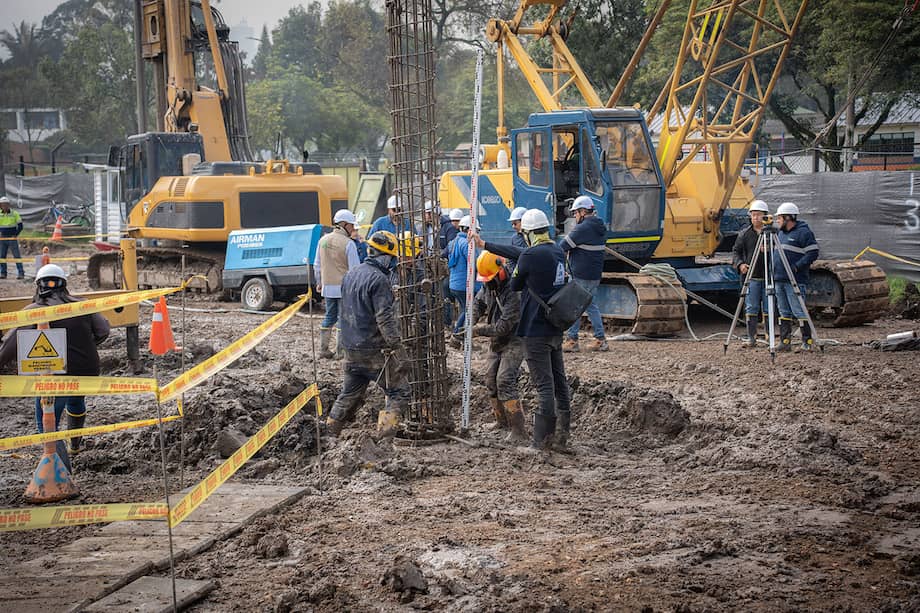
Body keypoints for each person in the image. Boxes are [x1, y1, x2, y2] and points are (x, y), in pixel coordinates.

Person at [0, 264, 110, 469]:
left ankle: (63, 474)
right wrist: (86, 345)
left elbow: (8, 347)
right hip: (88, 370)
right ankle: (75, 446)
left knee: (47, 424)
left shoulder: (33, 311)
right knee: (76, 401)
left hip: (54, 376)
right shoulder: (82, 305)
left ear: (38, 287)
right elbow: (103, 330)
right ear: (65, 286)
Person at [326, 231, 411, 438]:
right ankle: (384, 439)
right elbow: (385, 319)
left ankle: (328, 432)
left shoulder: (350, 275)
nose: (393, 262)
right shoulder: (379, 279)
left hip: (350, 349)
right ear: (384, 256)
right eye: (392, 258)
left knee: (348, 394)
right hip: (374, 351)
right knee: (399, 391)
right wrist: (399, 350)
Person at [508, 209, 572, 451]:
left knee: (544, 386)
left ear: (527, 232)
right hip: (555, 326)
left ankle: (541, 443)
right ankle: (561, 438)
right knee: (559, 382)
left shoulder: (530, 254)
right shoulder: (557, 250)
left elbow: (515, 284)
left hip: (534, 328)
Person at [470, 251, 525, 441]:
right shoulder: (490, 284)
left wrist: (477, 331)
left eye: (491, 278)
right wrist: (471, 319)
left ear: (501, 270)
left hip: (515, 339)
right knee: (490, 379)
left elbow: (503, 327)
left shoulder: (513, 291)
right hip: (497, 340)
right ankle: (501, 421)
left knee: (504, 380)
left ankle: (518, 430)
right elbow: (478, 302)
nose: (488, 282)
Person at [561, 196, 608, 352]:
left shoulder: (583, 228)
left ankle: (572, 340)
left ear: (582, 211)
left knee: (575, 306)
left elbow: (562, 246)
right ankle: (600, 339)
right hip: (594, 274)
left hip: (581, 274)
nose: (575, 216)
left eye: (575, 213)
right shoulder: (599, 226)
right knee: (590, 305)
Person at [773, 201, 819, 351]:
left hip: (795, 279)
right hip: (779, 278)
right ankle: (785, 342)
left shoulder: (803, 232)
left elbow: (813, 252)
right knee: (783, 311)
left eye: (779, 218)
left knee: (798, 310)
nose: (777, 221)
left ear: (788, 218)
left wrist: (797, 266)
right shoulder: (780, 233)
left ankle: (807, 341)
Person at [315, 209, 361, 358]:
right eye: (351, 226)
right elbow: (355, 270)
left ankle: (323, 349)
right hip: (344, 288)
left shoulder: (322, 241)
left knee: (330, 316)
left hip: (327, 287)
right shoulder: (349, 244)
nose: (353, 229)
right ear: (345, 224)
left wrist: (319, 282)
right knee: (343, 318)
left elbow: (317, 265)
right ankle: (340, 352)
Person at [732, 200, 770, 348]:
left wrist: (770, 249)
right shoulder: (744, 234)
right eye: (753, 215)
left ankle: (769, 336)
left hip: (768, 276)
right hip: (751, 277)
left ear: (765, 216)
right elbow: (736, 251)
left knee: (768, 307)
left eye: (759, 215)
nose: (756, 218)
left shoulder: (772, 233)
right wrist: (740, 264)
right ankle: (751, 337)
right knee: (751, 307)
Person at [445, 215, 480, 335]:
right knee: (468, 310)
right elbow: (474, 263)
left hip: (455, 284)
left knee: (465, 309)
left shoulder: (453, 242)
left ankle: (461, 334)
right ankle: (457, 334)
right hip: (465, 285)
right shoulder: (467, 244)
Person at [439, 209, 464, 326]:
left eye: (456, 221)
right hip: (459, 280)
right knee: (464, 307)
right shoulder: (461, 242)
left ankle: (451, 325)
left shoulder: (455, 242)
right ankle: (454, 327)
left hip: (456, 279)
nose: (454, 224)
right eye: (453, 221)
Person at [0, 196, 25, 280]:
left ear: (9, 205)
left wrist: (15, 235)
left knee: (16, 256)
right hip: (2, 238)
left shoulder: (14, 213)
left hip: (12, 238)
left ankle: (21, 273)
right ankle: (3, 273)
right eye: (3, 205)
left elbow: (20, 226)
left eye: (6, 204)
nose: (4, 206)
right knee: (1, 257)